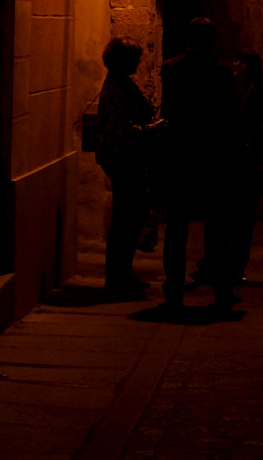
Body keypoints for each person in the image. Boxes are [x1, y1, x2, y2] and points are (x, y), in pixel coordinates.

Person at [158, 17, 241, 316]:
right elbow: (232, 117)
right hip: (213, 159)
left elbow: (168, 112)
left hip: (181, 157)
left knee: (176, 228)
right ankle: (221, 290)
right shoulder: (222, 72)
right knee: (217, 230)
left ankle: (173, 290)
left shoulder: (170, 68)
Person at [95, 36, 153, 298]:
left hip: (126, 158)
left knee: (130, 217)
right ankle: (117, 279)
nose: (139, 63)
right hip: (123, 159)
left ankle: (123, 275)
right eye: (135, 59)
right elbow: (121, 129)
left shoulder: (120, 84)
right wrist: (151, 130)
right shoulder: (117, 88)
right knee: (125, 219)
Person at [231, 50, 263, 283]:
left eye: (241, 63)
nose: (236, 65)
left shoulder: (259, 96)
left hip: (247, 163)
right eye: (236, 61)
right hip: (229, 161)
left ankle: (237, 265)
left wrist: (257, 146)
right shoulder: (229, 92)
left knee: (243, 218)